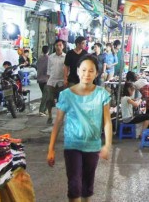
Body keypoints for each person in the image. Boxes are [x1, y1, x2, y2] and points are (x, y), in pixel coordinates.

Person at [47, 55, 112, 202]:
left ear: (97, 73)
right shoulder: (66, 95)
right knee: (74, 186)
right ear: (77, 71)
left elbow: (107, 121)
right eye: (83, 70)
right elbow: (58, 121)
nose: (86, 74)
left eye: (91, 71)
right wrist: (51, 148)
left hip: (93, 146)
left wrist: (107, 145)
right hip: (72, 145)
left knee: (87, 188)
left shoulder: (102, 94)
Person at [43, 39, 67, 123]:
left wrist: (65, 80)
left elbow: (67, 70)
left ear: (63, 46)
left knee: (61, 101)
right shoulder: (51, 57)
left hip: (61, 81)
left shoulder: (66, 57)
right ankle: (49, 116)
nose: (58, 47)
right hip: (52, 81)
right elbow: (49, 69)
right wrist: (48, 81)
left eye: (60, 45)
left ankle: (59, 117)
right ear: (54, 46)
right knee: (49, 99)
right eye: (57, 45)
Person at [36, 45, 50, 110]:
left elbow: (37, 67)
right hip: (46, 79)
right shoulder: (49, 59)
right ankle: (42, 110)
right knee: (45, 95)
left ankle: (45, 109)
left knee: (45, 95)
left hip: (39, 78)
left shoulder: (39, 58)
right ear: (48, 51)